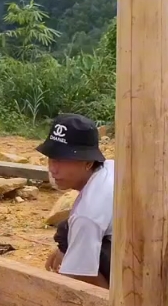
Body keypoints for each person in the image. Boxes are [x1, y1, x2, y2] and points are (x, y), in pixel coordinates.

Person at [38, 113, 113, 288]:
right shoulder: (110, 168)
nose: (53, 169)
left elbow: (81, 277)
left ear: (87, 163)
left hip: (152, 270)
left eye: (62, 161)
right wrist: (65, 247)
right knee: (66, 229)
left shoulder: (88, 213)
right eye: (51, 158)